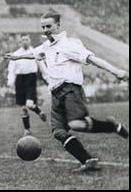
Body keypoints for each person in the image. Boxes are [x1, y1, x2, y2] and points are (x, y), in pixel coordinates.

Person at [30, 11, 129, 172]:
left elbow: (93, 59)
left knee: (76, 124)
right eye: (43, 27)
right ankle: (87, 160)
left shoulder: (70, 44)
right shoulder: (46, 46)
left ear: (58, 26)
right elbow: (33, 54)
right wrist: (15, 57)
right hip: (55, 94)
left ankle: (111, 126)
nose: (46, 29)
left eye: (49, 26)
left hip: (70, 89)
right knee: (59, 132)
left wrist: (115, 71)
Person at [5, 33, 48, 136]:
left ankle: (39, 112)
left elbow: (42, 66)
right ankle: (27, 129)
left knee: (29, 104)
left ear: (30, 41)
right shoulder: (16, 54)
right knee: (23, 108)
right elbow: (11, 69)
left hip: (30, 79)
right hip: (19, 80)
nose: (25, 41)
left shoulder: (35, 52)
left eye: (26, 39)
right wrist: (10, 81)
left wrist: (47, 78)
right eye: (23, 39)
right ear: (20, 42)